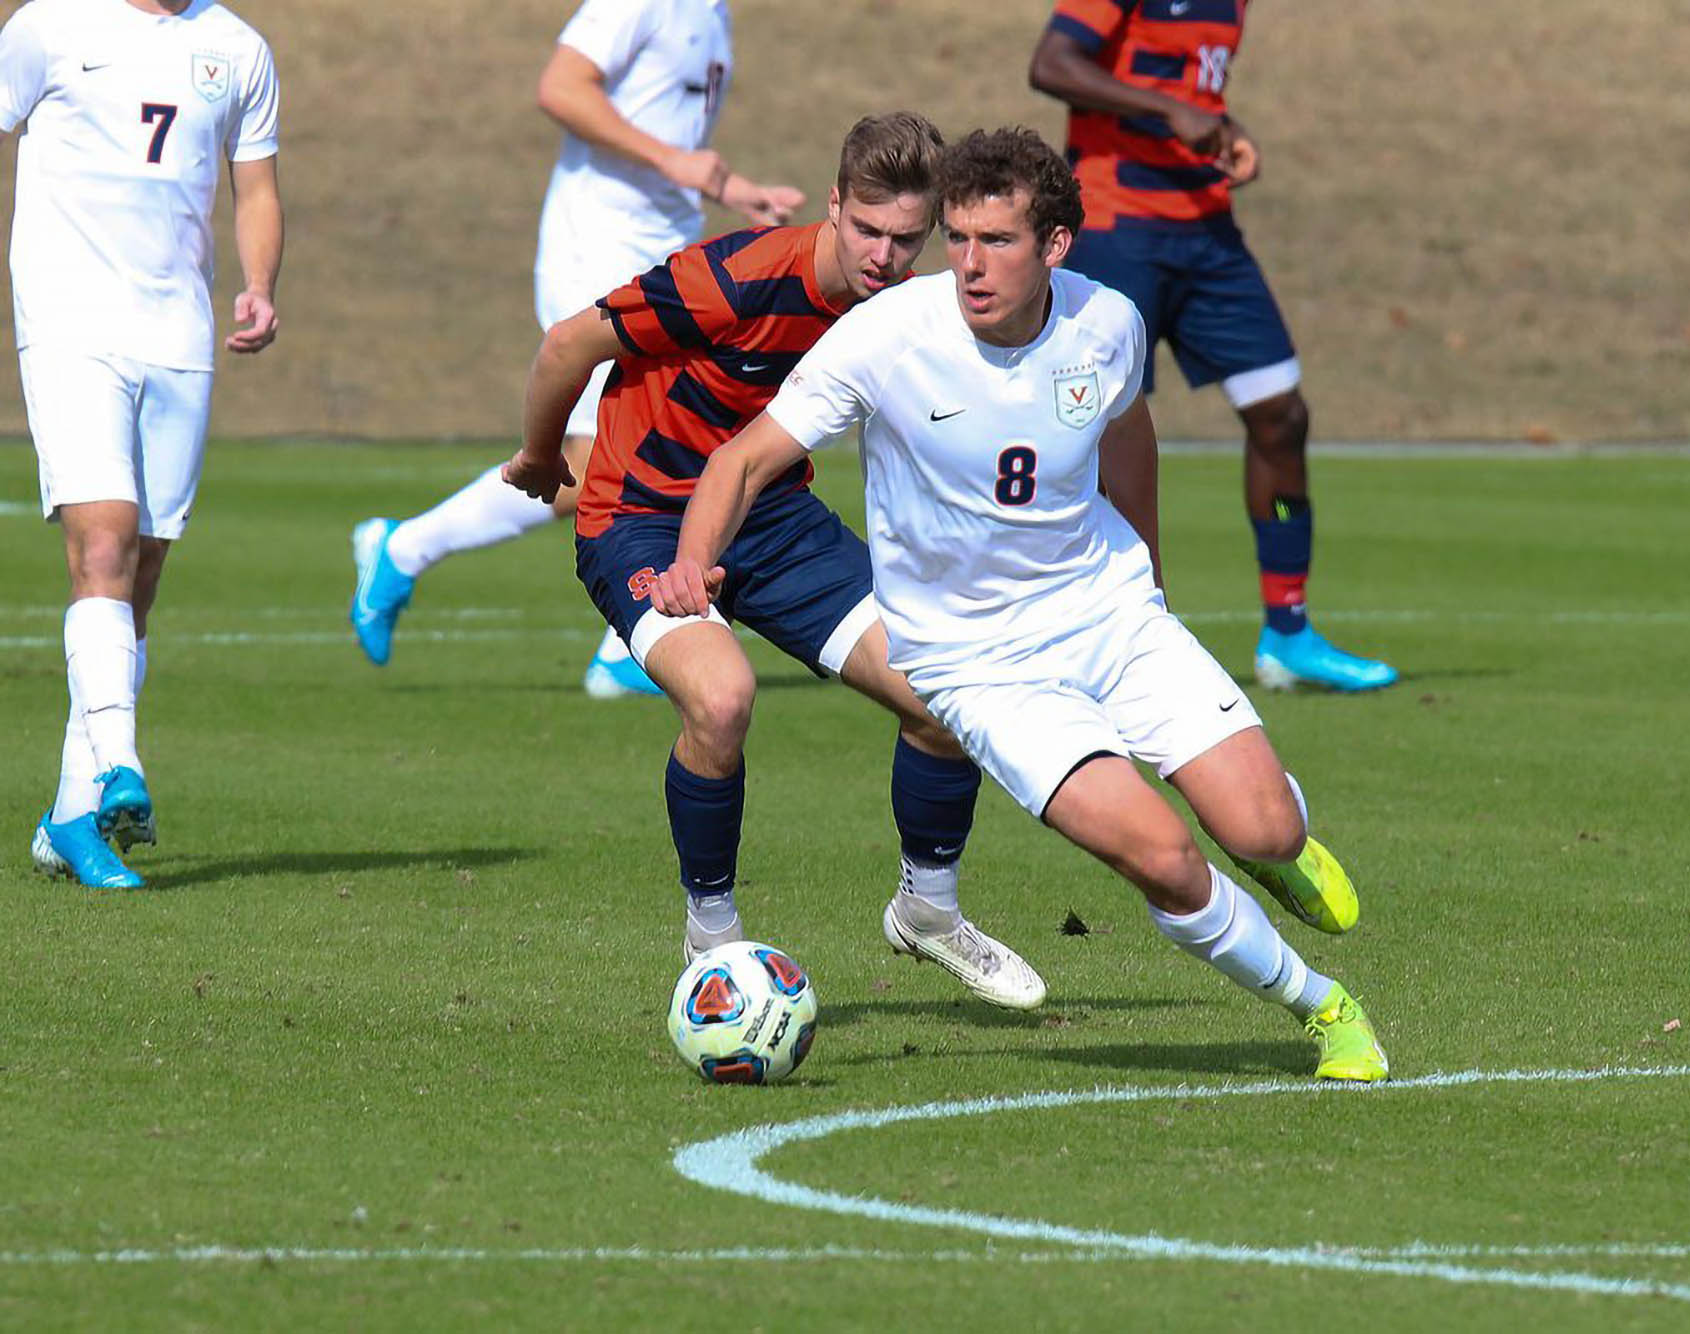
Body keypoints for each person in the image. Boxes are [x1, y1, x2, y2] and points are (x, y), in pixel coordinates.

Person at [657, 127, 1386, 1080]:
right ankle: (1325, 1008)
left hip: (1109, 616)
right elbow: (744, 456)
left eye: (996, 241)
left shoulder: (1107, 324)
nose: (968, 264)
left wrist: (1151, 575)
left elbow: (1129, 430)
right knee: (1163, 857)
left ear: (1055, 247)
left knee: (1263, 828)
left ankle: (1279, 849)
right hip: (977, 666)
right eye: (956, 238)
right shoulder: (886, 338)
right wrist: (692, 561)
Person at [498, 113, 1045, 1009]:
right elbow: (569, 342)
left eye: (909, 240)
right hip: (638, 517)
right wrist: (536, 453)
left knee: (945, 693)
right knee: (722, 700)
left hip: (773, 517)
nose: (884, 256)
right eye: (867, 230)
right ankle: (711, 936)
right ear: (833, 205)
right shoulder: (737, 277)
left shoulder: (911, 308)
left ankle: (929, 909)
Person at [349, 0, 803, 698]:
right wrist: (675, 162)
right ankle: (407, 549)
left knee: (694, 434)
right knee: (597, 458)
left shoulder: (715, 12)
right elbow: (560, 86)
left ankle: (632, 638)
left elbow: (673, 129)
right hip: (598, 240)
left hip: (661, 244)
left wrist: (735, 190)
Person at [1029, 1, 1397, 693]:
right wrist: (1168, 110)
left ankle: (1288, 633)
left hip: (1206, 233)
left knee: (1282, 417)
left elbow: (1193, 95)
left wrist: (1222, 132)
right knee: (1094, 433)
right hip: (1115, 225)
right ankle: (1087, 639)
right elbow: (1051, 64)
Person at [4, 0, 283, 889]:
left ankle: (72, 815)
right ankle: (123, 766)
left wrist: (261, 285)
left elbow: (258, 186)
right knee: (102, 540)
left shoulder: (237, 49)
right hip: (69, 321)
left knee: (141, 575)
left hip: (178, 333)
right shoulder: (47, 26)